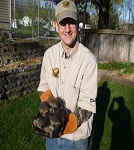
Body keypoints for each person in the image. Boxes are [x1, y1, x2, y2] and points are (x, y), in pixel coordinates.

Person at [37, 0, 98, 149]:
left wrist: (64, 125)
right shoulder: (49, 55)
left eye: (71, 22)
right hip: (51, 136)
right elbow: (43, 86)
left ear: (78, 24)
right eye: (63, 23)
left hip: (76, 139)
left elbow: (87, 106)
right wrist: (50, 109)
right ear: (56, 26)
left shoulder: (88, 60)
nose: (68, 29)